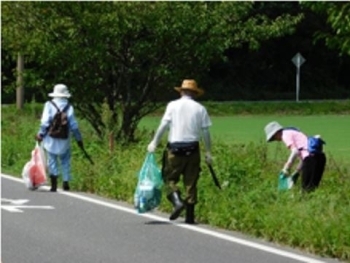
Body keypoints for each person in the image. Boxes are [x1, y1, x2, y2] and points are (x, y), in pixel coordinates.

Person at [147, 79, 213, 224]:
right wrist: (208, 152)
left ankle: (177, 202)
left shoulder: (172, 105)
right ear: (195, 93)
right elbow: (206, 132)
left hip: (175, 149)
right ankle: (190, 218)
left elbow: (163, 125)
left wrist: (154, 142)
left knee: (168, 178)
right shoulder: (200, 108)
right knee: (191, 182)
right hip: (193, 149)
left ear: (181, 92)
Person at [35, 84, 83, 192]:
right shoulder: (69, 107)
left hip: (50, 138)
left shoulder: (48, 105)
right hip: (64, 138)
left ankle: (54, 183)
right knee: (65, 160)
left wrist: (40, 134)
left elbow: (45, 122)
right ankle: (66, 181)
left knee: (52, 159)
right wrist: (78, 138)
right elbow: (74, 125)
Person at [264, 121, 326, 192]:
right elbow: (304, 156)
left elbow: (295, 151)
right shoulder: (293, 132)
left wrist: (286, 167)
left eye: (273, 137)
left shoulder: (285, 135)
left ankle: (304, 202)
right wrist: (297, 171)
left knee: (306, 190)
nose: (276, 140)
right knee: (313, 187)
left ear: (276, 133)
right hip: (320, 157)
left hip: (311, 160)